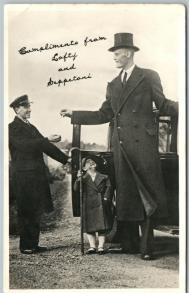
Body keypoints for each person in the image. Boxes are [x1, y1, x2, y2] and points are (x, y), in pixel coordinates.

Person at [60, 32, 178, 260]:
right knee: (128, 197)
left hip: (143, 147)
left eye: (116, 52)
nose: (113, 57)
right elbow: (104, 113)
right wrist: (75, 114)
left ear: (129, 53)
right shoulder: (113, 84)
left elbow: (163, 104)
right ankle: (131, 244)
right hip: (121, 149)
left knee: (147, 197)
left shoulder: (148, 76)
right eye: (113, 53)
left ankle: (147, 248)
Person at [9, 94, 70, 254]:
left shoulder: (31, 127)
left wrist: (66, 159)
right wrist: (46, 139)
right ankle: (25, 246)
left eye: (29, 106)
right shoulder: (11, 127)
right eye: (26, 107)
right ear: (17, 109)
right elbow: (24, 146)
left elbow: (45, 147)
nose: (30, 110)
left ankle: (33, 244)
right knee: (26, 210)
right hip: (23, 176)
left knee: (35, 209)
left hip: (35, 175)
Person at [74, 156, 114, 254]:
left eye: (92, 161)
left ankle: (100, 246)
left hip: (101, 203)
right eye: (88, 162)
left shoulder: (104, 176)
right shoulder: (83, 178)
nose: (91, 162)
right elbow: (76, 189)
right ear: (84, 168)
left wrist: (106, 198)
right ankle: (92, 246)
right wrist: (78, 179)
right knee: (89, 227)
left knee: (102, 226)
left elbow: (109, 187)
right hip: (88, 203)